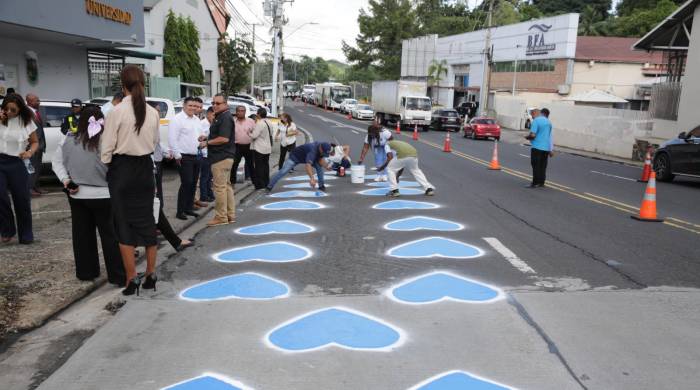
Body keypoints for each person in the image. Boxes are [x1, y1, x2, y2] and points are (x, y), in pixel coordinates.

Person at [101, 65, 160, 296]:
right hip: (145, 169)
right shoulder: (153, 112)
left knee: (123, 225)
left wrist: (110, 164)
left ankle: (131, 278)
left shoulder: (116, 112)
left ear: (122, 85)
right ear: (143, 84)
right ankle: (151, 273)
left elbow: (106, 148)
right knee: (147, 222)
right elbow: (154, 143)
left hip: (122, 169)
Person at [51, 106, 126, 286]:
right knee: (110, 237)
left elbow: (57, 162)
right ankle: (117, 276)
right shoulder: (108, 140)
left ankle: (86, 272)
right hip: (104, 194)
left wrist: (66, 180)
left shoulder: (69, 139)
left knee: (82, 236)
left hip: (77, 194)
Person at [0, 94, 39, 244]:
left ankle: (26, 234)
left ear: (20, 109)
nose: (9, 112)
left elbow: (35, 142)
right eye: (6, 109)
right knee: (1, 197)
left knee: (21, 199)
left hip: (17, 162)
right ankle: (7, 229)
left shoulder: (26, 121)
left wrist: (29, 152)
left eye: (13, 110)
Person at [200, 93, 236, 227]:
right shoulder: (221, 116)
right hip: (224, 156)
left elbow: (224, 139)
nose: (214, 105)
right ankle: (230, 215)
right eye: (213, 103)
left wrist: (207, 142)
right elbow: (220, 136)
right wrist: (206, 138)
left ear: (225, 104)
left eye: (218, 103)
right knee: (226, 186)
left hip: (221, 157)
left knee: (220, 188)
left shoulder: (225, 117)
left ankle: (221, 217)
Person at [169, 97, 204, 220]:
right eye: (190, 105)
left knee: (193, 184)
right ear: (184, 105)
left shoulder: (196, 120)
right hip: (184, 157)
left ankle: (189, 208)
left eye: (195, 106)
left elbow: (200, 135)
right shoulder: (177, 119)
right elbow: (172, 139)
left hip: (197, 155)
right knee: (186, 183)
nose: (193, 108)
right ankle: (180, 211)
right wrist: (177, 155)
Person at [266, 141, 332, 192]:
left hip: (308, 157)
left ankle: (321, 186)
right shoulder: (312, 150)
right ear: (320, 148)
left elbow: (320, 159)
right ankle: (269, 186)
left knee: (319, 167)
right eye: (323, 153)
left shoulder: (323, 148)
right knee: (283, 171)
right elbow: (308, 165)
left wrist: (326, 166)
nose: (324, 154)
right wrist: (312, 178)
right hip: (295, 157)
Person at [525, 108, 553, 188]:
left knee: (535, 165)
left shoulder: (536, 121)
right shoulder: (549, 123)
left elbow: (533, 135)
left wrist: (527, 137)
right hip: (546, 148)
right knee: (543, 166)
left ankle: (535, 182)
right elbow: (549, 137)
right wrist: (550, 149)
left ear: (541, 113)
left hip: (537, 147)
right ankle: (541, 182)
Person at [25, 93, 47, 196]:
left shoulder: (36, 112)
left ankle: (36, 187)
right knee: (31, 168)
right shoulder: (27, 113)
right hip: (32, 146)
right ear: (29, 102)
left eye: (38, 100)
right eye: (36, 100)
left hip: (39, 146)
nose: (39, 102)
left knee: (37, 168)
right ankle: (29, 189)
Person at [250, 107, 274, 190]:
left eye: (257, 113)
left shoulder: (260, 123)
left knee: (259, 167)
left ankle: (260, 184)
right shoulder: (269, 122)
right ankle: (266, 182)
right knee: (265, 166)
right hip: (267, 147)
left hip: (259, 148)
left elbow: (254, 136)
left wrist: (249, 132)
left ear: (259, 114)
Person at [231, 105, 255, 184]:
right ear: (236, 112)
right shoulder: (233, 122)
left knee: (251, 165)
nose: (240, 112)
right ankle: (232, 182)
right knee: (234, 164)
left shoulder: (251, 121)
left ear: (245, 112)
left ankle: (255, 183)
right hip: (237, 146)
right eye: (239, 111)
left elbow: (255, 133)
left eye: (242, 111)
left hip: (248, 146)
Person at [197, 107, 215, 203]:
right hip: (204, 154)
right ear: (208, 114)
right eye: (213, 115)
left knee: (209, 177)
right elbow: (201, 138)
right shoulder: (203, 124)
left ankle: (209, 194)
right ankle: (204, 196)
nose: (214, 117)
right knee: (205, 177)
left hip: (211, 154)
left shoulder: (212, 123)